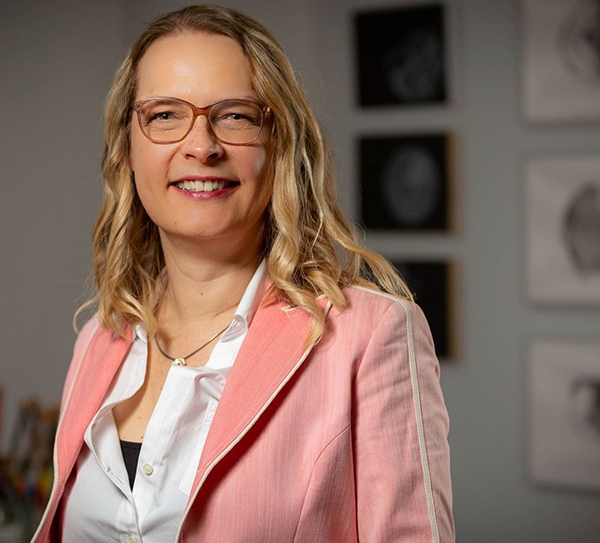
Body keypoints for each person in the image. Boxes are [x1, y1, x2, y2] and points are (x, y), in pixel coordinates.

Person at [32, 5, 454, 542]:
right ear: (127, 148)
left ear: (280, 146)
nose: (202, 145)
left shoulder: (371, 336)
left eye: (235, 116)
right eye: (164, 115)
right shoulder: (99, 339)